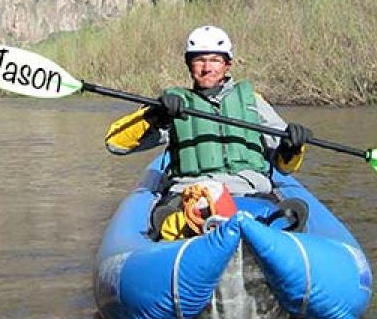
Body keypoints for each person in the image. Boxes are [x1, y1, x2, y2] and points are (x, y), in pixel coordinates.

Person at [104, 26, 312, 230]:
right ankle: (187, 226)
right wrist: (155, 116)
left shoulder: (252, 101)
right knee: (170, 219)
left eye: (215, 60)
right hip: (190, 194)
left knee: (280, 216)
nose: (207, 67)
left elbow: (285, 168)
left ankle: (260, 227)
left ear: (227, 65)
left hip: (250, 191)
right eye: (200, 60)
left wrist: (292, 147)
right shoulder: (172, 104)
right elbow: (115, 143)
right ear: (189, 64)